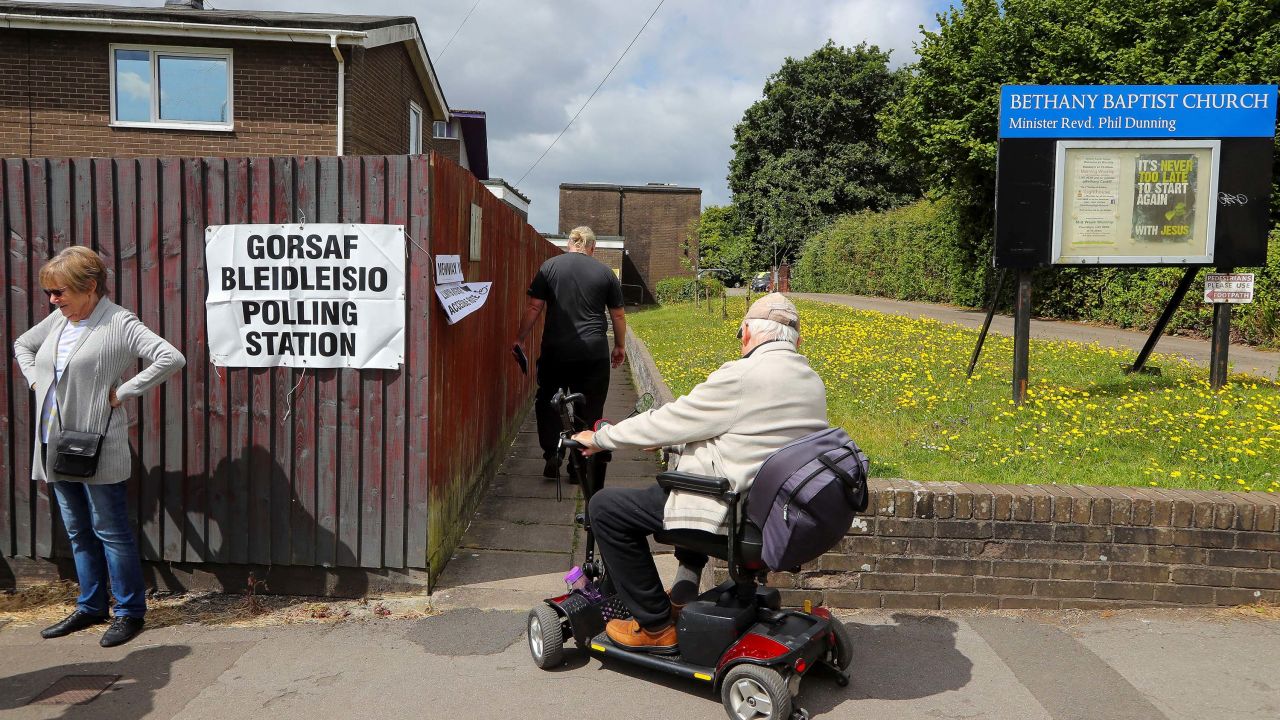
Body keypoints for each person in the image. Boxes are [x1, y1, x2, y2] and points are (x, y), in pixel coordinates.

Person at [571, 293, 827, 653]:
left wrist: (601, 438)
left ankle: (655, 624)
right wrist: (672, 441)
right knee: (678, 480)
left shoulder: (743, 375)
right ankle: (685, 587)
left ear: (747, 335)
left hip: (734, 514)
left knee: (606, 508)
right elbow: (751, 435)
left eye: (741, 336)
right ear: (797, 341)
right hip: (780, 514)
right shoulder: (810, 381)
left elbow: (672, 418)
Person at [13, 246, 185, 648]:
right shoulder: (58, 320)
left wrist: (124, 390)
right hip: (53, 442)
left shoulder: (119, 322)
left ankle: (129, 613)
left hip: (96, 446)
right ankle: (91, 606)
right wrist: (36, 383)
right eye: (49, 293)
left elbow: (170, 356)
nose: (53, 300)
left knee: (110, 530)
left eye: (59, 292)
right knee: (77, 530)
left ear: (89, 287)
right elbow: (23, 345)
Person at [514, 226, 626, 480]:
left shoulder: (550, 267)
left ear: (569, 244)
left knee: (549, 402)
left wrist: (519, 338)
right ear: (592, 248)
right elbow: (617, 314)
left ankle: (552, 453)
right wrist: (619, 346)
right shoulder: (605, 273)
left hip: (556, 351)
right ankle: (579, 465)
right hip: (593, 353)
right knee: (589, 407)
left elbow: (534, 307)